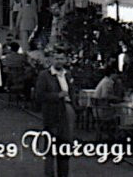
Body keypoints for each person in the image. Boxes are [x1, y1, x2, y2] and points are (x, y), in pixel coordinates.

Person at [34, 48, 77, 177]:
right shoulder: (45, 75)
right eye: (56, 59)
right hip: (52, 114)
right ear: (52, 60)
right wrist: (57, 95)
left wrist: (74, 105)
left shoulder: (68, 74)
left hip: (67, 113)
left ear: (65, 60)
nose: (59, 61)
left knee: (65, 146)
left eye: (61, 59)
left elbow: (72, 92)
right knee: (50, 147)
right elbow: (39, 95)